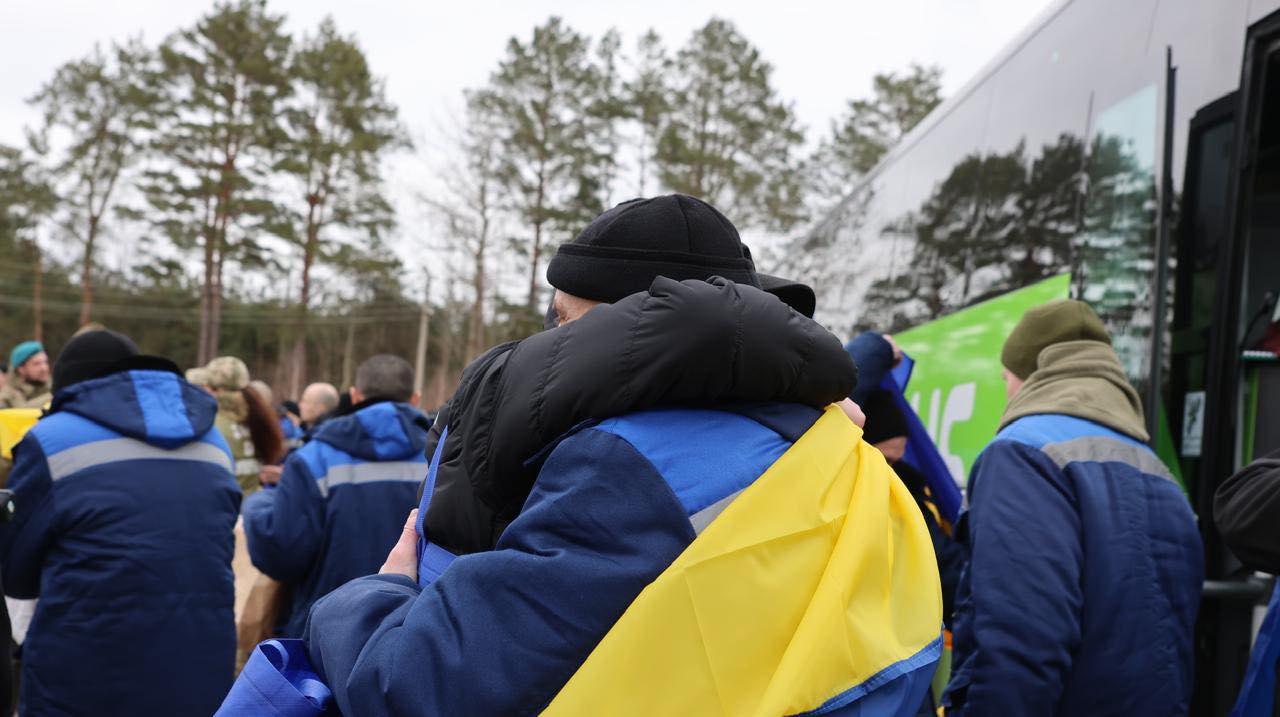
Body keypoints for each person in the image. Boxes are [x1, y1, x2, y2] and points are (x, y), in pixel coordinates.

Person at [220, 195, 943, 716]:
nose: (543, 343)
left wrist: (369, 596)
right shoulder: (831, 446)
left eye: (562, 321)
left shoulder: (620, 467)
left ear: (634, 330)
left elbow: (427, 686)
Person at [942, 299, 1203, 716]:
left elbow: (1021, 644)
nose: (1007, 391)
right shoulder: (1159, 471)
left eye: (1006, 377)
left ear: (1031, 377)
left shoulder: (1022, 455)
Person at [0, 329, 241, 716]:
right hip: (202, 671)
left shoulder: (50, 440)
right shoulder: (214, 442)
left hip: (84, 681)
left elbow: (15, 574)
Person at [241, 355, 429, 638]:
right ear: (415, 399)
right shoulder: (447, 458)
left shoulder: (313, 457)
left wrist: (258, 504)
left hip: (326, 633)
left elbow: (281, 554)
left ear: (354, 396)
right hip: (414, 631)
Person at [188, 357, 284, 494]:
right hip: (249, 504)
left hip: (224, 506)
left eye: (204, 386)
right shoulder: (255, 418)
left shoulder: (208, 423)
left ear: (215, 391)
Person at [0, 341, 51, 409]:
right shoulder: (7, 396)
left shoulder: (51, 386)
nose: (44, 368)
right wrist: (54, 395)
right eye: (36, 364)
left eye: (45, 362)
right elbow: (23, 411)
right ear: (21, 369)